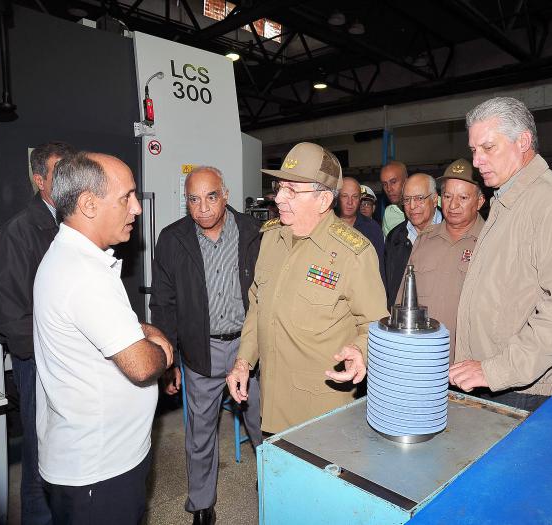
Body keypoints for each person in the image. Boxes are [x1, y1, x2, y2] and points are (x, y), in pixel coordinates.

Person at [34, 152, 173, 524]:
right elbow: (142, 365)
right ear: (88, 204)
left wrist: (141, 332)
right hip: (100, 470)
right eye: (127, 197)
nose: (138, 208)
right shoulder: (84, 274)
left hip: (95, 461)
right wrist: (164, 351)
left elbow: (104, 330)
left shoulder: (72, 258)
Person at [226, 142, 388, 434]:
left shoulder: (354, 253)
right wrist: (243, 361)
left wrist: (360, 351)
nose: (279, 198)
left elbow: (375, 322)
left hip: (321, 412)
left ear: (323, 200)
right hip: (272, 402)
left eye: (292, 190)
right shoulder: (270, 239)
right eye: (279, 187)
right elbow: (258, 305)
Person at [450, 96, 552, 412]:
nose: (477, 161)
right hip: (491, 378)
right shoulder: (505, 202)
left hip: (523, 386)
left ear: (523, 142)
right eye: (474, 150)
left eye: (488, 148)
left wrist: (496, 370)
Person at [150, 166, 262, 525]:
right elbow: (163, 303)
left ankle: (273, 479)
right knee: (200, 433)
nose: (202, 208)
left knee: (263, 422)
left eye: (210, 197)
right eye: (193, 200)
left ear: (225, 194)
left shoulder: (254, 232)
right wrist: (169, 360)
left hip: (251, 346)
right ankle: (201, 504)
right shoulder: (173, 239)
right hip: (202, 350)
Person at [0, 141, 75, 525]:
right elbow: (3, 313)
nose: (73, 178)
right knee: (41, 458)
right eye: (61, 172)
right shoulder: (16, 234)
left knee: (66, 453)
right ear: (40, 180)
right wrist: (46, 352)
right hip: (39, 362)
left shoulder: (71, 226)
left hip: (69, 359)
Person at [397, 159, 484, 360]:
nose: (453, 205)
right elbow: (403, 302)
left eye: (463, 197)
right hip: (424, 360)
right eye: (447, 196)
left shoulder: (492, 243)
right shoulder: (424, 240)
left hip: (471, 365)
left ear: (479, 201)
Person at [383, 173, 442, 309]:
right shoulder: (395, 237)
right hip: (403, 322)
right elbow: (389, 288)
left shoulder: (451, 232)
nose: (412, 206)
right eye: (407, 200)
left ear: (434, 200)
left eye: (419, 198)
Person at [337, 176, 385, 279]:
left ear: (359, 199)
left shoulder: (372, 229)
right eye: (345, 196)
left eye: (354, 197)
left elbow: (379, 269)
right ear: (337, 197)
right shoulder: (325, 225)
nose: (350, 202)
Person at [380, 161, 408, 236]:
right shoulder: (389, 213)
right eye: (384, 184)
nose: (389, 189)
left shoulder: (433, 203)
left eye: (393, 182)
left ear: (406, 181)